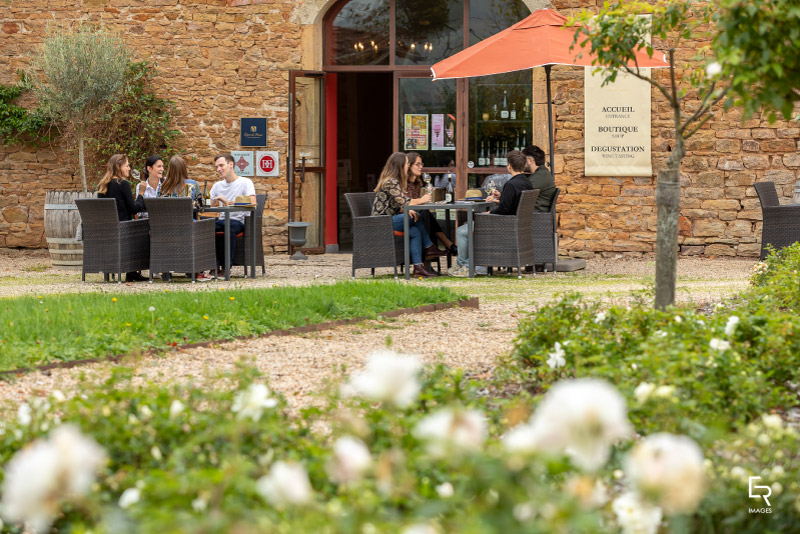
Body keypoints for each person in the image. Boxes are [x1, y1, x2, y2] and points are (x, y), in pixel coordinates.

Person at [450, 150, 533, 277]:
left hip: (501, 226)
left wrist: (488, 213)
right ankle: (466, 265)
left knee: (461, 231)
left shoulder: (511, 184)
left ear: (509, 165)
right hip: (515, 225)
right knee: (468, 228)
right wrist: (501, 197)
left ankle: (465, 266)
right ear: (523, 165)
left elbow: (504, 210)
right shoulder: (527, 183)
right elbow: (514, 203)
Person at [371, 152, 445, 278]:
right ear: (400, 166)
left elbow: (397, 205)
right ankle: (429, 246)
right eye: (406, 164)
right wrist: (423, 199)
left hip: (390, 219)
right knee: (419, 217)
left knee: (415, 230)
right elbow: (406, 201)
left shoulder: (396, 181)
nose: (407, 166)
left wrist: (406, 210)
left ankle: (418, 268)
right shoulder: (390, 182)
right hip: (381, 222)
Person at [97, 154, 147, 282]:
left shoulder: (102, 185)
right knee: (146, 228)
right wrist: (141, 193)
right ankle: (132, 271)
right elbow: (134, 209)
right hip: (123, 229)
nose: (129, 168)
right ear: (119, 167)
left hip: (106, 231)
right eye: (127, 165)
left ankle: (128, 271)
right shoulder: (122, 184)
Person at [209, 153, 256, 276]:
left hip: (238, 221)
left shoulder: (245, 182)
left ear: (231, 165)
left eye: (221, 165)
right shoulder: (217, 186)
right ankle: (212, 265)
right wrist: (212, 201)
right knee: (205, 228)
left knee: (229, 227)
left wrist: (228, 202)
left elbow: (253, 203)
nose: (218, 169)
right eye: (217, 167)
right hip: (221, 220)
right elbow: (208, 205)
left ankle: (226, 268)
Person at [405, 152, 456, 255]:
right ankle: (446, 246)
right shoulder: (402, 182)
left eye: (422, 164)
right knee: (425, 215)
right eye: (417, 164)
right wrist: (422, 200)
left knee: (426, 214)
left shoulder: (418, 183)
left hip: (415, 215)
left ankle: (437, 249)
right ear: (409, 166)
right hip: (404, 215)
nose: (421, 167)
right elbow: (404, 203)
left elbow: (417, 202)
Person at [521, 144, 556, 212]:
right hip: (534, 215)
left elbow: (521, 192)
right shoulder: (542, 173)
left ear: (531, 161)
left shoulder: (540, 176)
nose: (521, 162)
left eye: (523, 160)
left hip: (534, 216)